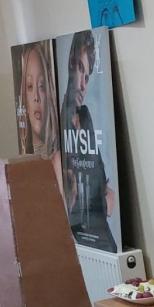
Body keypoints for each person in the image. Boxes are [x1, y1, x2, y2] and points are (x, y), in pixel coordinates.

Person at [61, 31, 117, 252]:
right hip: (76, 236)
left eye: (87, 76)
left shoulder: (85, 117)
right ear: (70, 64)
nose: (83, 84)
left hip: (100, 230)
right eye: (80, 69)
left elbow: (100, 179)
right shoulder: (59, 124)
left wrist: (105, 197)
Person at [16, 41, 63, 192]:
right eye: (30, 86)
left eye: (41, 86)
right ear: (24, 96)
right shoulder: (23, 161)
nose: (36, 97)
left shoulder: (58, 160)